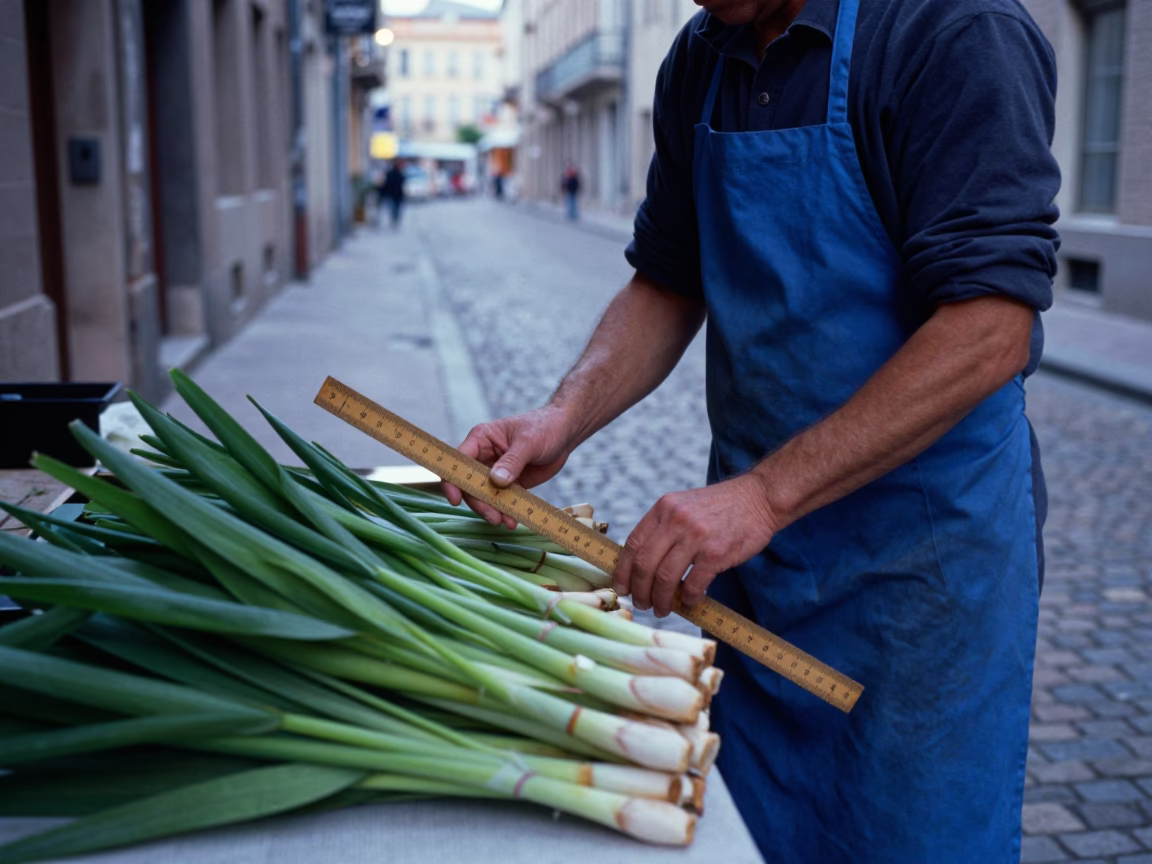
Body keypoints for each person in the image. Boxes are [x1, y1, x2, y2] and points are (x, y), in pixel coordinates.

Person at [444, 0, 1060, 860]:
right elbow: (667, 281)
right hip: (756, 568)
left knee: (912, 836)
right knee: (754, 834)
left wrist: (765, 494)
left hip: (925, 574)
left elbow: (990, 325)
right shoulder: (701, 57)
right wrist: (562, 416)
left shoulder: (954, 30)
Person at [378, 161, 406, 228]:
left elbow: (386, 184)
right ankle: (395, 219)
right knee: (396, 207)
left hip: (393, 194)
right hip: (397, 194)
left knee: (394, 207)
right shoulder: (399, 174)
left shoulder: (391, 174)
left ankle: (394, 219)